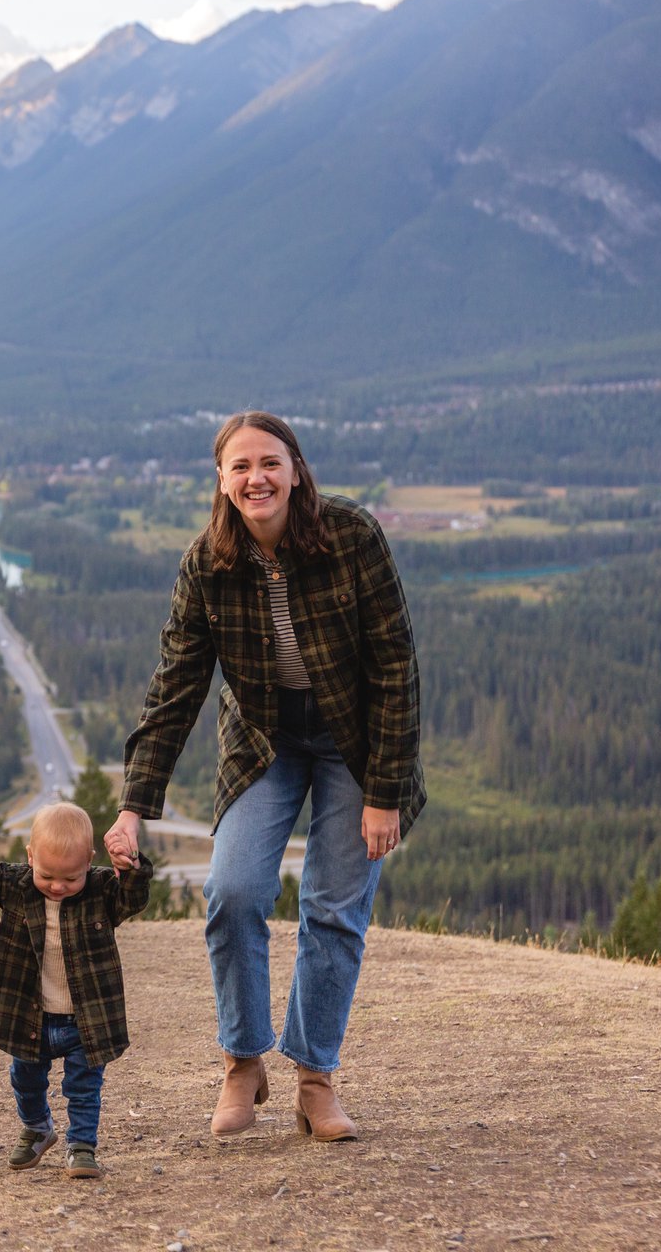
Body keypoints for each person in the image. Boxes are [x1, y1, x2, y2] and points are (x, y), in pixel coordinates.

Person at [103, 411, 424, 1142]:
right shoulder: (206, 564)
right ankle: (242, 1063)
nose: (257, 478)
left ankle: (315, 1079)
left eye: (270, 463)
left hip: (356, 742)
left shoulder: (352, 538)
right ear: (221, 480)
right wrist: (133, 807)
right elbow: (176, 687)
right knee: (235, 891)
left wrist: (385, 793)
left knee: (333, 908)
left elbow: (396, 668)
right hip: (265, 742)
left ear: (297, 469)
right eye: (241, 466)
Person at [0, 802, 153, 1179]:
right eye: (47, 875)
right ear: (30, 856)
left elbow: (133, 899)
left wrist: (129, 868)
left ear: (89, 862)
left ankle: (81, 1146)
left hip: (85, 1021)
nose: (58, 886)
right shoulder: (17, 886)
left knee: (84, 1087)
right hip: (31, 1016)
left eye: (71, 878)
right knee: (25, 1079)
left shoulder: (101, 892)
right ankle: (38, 1127)